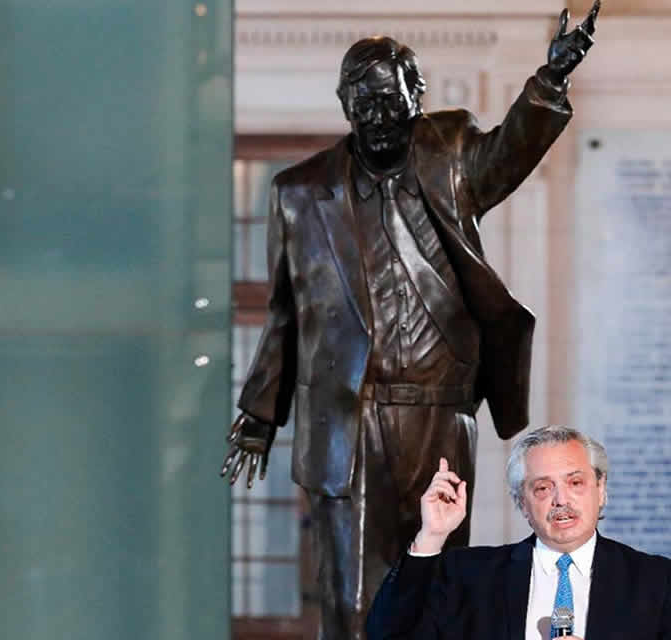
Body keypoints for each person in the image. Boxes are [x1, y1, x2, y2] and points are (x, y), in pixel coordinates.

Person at [219, 3, 603, 639]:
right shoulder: (301, 193)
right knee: (354, 594)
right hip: (347, 420)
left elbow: (510, 151)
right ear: (344, 104)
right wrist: (261, 411)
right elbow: (288, 313)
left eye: (389, 101)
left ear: (415, 97)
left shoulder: (448, 156)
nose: (376, 117)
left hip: (439, 414)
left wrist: (550, 80)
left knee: (440, 581)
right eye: (362, 102)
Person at [366, 425, 671, 640]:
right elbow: (387, 634)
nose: (561, 500)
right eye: (542, 488)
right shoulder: (470, 576)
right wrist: (431, 536)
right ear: (523, 504)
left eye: (575, 483)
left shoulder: (651, 579)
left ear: (600, 490)